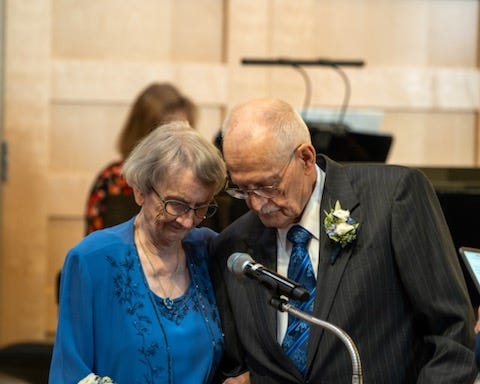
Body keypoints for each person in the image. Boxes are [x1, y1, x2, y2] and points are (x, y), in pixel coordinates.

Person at [209, 98, 477, 383]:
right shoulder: (234, 246)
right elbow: (235, 363)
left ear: (306, 158)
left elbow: (451, 332)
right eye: (242, 188)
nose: (256, 203)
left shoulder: (392, 199)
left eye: (267, 186)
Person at [50, 122, 227, 383]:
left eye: (200, 207)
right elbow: (70, 372)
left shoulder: (209, 251)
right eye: (175, 205)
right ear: (140, 191)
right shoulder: (92, 260)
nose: (188, 221)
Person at [85, 82, 197, 235]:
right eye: (167, 133)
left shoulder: (198, 180)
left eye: (184, 131)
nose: (177, 142)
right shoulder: (113, 180)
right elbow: (94, 246)